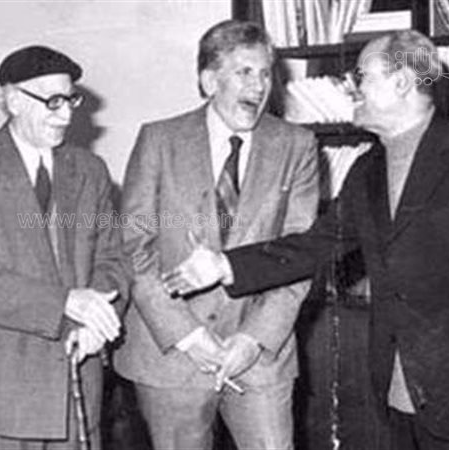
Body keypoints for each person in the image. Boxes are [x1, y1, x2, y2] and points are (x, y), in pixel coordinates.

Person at [164, 29, 449, 449]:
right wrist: (225, 265)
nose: (352, 87)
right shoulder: (367, 169)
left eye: (362, 76)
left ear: (401, 82)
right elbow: (317, 244)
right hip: (397, 390)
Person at [113, 19, 320, 450]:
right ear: (209, 81)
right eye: (244, 72)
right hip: (172, 353)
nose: (259, 86)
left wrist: (253, 339)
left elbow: (302, 253)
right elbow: (134, 246)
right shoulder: (159, 140)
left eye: (265, 73)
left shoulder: (297, 145)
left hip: (260, 354)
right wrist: (188, 335)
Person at [0, 45, 129, 449]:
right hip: (1, 396)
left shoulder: (90, 171)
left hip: (77, 383)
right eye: (52, 101)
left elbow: (112, 258)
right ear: (14, 100)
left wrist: (98, 322)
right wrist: (66, 303)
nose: (66, 115)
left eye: (71, 100)